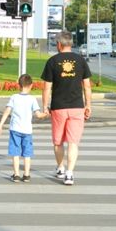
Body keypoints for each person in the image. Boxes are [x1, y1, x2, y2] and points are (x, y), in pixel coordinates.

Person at [41, 31, 92, 186]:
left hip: (58, 107)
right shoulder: (81, 60)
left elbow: (46, 88)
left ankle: (60, 168)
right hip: (77, 107)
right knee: (73, 142)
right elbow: (87, 86)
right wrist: (88, 105)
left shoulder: (52, 61)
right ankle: (69, 174)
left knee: (58, 142)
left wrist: (44, 106)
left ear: (58, 44)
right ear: (70, 43)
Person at [0, 74, 48, 183]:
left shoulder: (14, 97)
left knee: (15, 152)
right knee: (27, 153)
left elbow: (7, 111)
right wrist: (47, 114)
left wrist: (0, 125)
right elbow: (38, 115)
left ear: (19, 85)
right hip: (27, 130)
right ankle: (27, 174)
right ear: (31, 85)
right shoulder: (32, 99)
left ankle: (16, 175)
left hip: (15, 129)